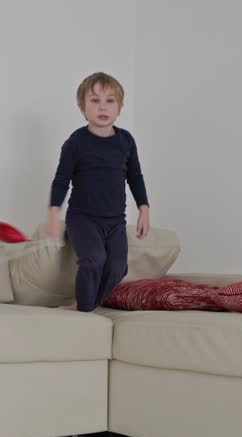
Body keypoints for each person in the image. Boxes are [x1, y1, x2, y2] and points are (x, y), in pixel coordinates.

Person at [47, 72, 150, 312]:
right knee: (94, 260)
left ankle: (86, 304)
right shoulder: (76, 142)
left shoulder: (126, 141)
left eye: (110, 101)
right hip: (83, 219)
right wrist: (53, 214)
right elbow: (61, 181)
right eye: (94, 100)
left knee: (118, 268)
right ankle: (83, 311)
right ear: (82, 107)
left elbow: (135, 177)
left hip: (115, 222)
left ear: (120, 107)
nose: (102, 107)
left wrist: (144, 209)